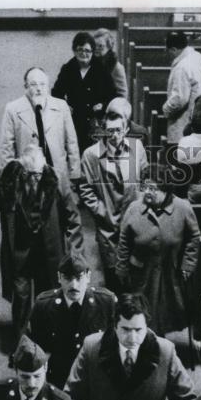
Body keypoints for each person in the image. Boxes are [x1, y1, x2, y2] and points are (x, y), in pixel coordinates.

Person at [66, 293, 196, 400]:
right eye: (126, 329)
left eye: (138, 330)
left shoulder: (165, 351)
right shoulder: (91, 348)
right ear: (114, 326)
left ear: (147, 326)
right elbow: (72, 398)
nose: (133, 338)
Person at [0, 144, 82, 331]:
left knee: (48, 295)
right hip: (20, 249)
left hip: (48, 250)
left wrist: (76, 254)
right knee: (21, 296)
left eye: (38, 174)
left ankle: (46, 334)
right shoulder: (7, 178)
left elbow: (73, 218)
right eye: (30, 175)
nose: (35, 179)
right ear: (22, 169)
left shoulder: (57, 178)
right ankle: (22, 341)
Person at [116, 169, 201, 336]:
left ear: (166, 189)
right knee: (140, 313)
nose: (147, 192)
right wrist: (121, 267)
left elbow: (194, 236)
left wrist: (188, 264)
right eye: (145, 187)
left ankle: (161, 344)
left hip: (170, 273)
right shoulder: (134, 208)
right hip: (141, 273)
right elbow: (124, 240)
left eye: (153, 188)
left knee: (167, 314)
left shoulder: (183, 208)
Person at [78, 109, 148, 290]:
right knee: (113, 275)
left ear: (125, 130)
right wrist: (101, 211)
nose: (114, 135)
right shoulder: (91, 155)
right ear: (103, 131)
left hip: (134, 221)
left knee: (135, 273)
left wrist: (140, 206)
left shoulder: (136, 147)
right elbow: (85, 189)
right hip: (108, 225)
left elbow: (145, 178)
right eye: (110, 130)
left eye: (118, 130)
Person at [26, 251, 116, 390]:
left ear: (88, 277)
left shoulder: (106, 302)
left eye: (79, 278)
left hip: (94, 379)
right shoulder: (43, 305)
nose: (74, 285)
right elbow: (36, 351)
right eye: (67, 278)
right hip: (58, 381)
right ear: (59, 278)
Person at [0, 67, 81, 201]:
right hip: (28, 173)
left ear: (48, 86)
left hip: (56, 170)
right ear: (25, 87)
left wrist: (75, 173)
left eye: (43, 84)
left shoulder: (61, 107)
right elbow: (7, 147)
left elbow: (71, 142)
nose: (39, 88)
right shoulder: (12, 109)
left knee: (59, 211)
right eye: (34, 84)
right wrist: (10, 177)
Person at [52, 34, 118, 153]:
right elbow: (56, 93)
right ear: (74, 51)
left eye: (87, 50)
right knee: (74, 152)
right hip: (74, 119)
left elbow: (112, 94)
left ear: (93, 52)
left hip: (95, 119)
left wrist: (103, 105)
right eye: (80, 50)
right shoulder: (68, 68)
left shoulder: (101, 69)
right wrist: (65, 105)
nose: (83, 53)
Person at [162, 31, 201, 144]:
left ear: (174, 49)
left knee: (180, 154)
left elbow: (179, 99)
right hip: (198, 114)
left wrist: (165, 109)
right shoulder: (198, 56)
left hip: (184, 121)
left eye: (167, 50)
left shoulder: (181, 67)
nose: (167, 53)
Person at [92, 27, 128, 99]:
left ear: (109, 46)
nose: (96, 49)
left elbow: (122, 95)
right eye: (94, 45)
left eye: (100, 46)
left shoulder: (116, 67)